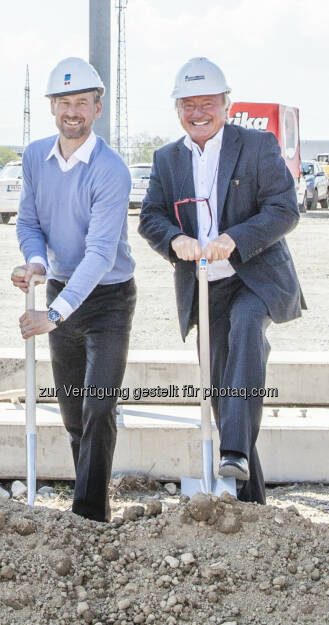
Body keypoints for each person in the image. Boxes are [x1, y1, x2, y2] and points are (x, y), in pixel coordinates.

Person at [138, 57, 306, 504]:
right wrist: (176, 241)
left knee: (247, 328)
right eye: (188, 104)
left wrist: (234, 238)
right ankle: (250, 500)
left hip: (256, 278)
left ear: (225, 104)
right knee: (219, 387)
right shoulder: (167, 158)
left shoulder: (257, 146)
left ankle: (231, 449)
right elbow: (151, 217)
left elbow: (283, 209)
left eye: (207, 102)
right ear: (177, 109)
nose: (198, 112)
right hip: (206, 285)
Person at [11, 57, 136, 522]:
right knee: (72, 415)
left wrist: (54, 314)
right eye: (64, 102)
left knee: (98, 407)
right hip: (61, 287)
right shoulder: (34, 157)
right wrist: (37, 263)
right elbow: (29, 221)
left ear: (97, 108)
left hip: (108, 299)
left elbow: (101, 254)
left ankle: (88, 516)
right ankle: (94, 499)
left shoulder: (111, 170)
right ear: (51, 106)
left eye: (82, 102)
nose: (73, 111)